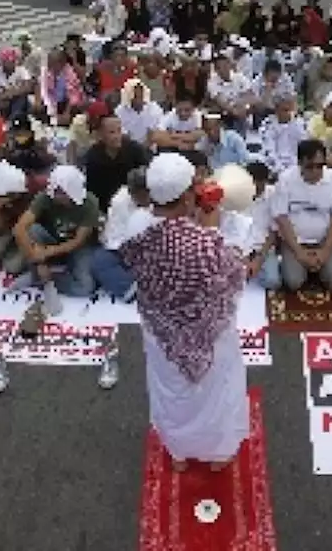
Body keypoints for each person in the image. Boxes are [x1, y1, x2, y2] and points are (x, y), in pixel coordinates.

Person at [119, 152, 249, 473]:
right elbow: (234, 274)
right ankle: (217, 454)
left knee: (171, 390)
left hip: (161, 330)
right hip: (207, 335)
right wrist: (212, 227)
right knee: (213, 392)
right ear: (189, 193)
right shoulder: (205, 244)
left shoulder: (136, 225)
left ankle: (178, 451)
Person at [13, 164, 102, 311]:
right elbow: (19, 229)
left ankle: (46, 279)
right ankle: (38, 272)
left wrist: (47, 252)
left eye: (65, 193)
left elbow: (77, 241)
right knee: (33, 230)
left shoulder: (90, 203)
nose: (60, 196)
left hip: (79, 248)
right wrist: (36, 259)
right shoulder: (45, 198)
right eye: (58, 192)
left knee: (85, 287)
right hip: (53, 238)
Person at [271, 139, 332, 291]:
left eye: (320, 166)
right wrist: (299, 252)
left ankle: (317, 265)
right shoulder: (286, 180)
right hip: (295, 242)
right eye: (310, 166)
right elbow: (281, 217)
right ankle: (307, 266)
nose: (315, 171)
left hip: (323, 241)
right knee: (293, 282)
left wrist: (325, 251)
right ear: (299, 164)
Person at [83, 114, 150, 211]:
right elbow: (92, 190)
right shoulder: (93, 156)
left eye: (119, 131)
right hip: (105, 206)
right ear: (101, 135)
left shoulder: (134, 150)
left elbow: (145, 178)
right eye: (112, 132)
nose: (117, 136)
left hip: (133, 203)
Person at [0, 161, 33, 276]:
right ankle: (9, 247)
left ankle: (14, 250)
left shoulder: (33, 191)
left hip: (29, 231)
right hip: (8, 229)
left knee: (12, 267)